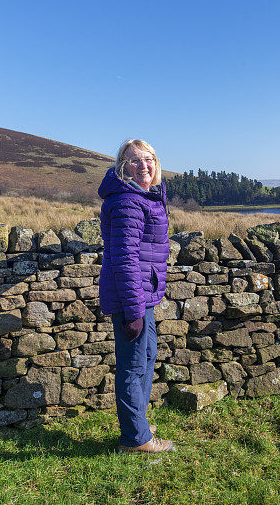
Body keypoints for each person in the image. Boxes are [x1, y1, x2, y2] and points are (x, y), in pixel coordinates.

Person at [98, 139, 174, 453]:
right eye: (134, 161)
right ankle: (136, 439)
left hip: (145, 295)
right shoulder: (128, 201)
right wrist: (133, 310)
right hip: (133, 297)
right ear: (122, 167)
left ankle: (137, 422)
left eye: (149, 159)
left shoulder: (144, 196)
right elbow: (125, 257)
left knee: (146, 357)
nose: (144, 166)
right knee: (132, 365)